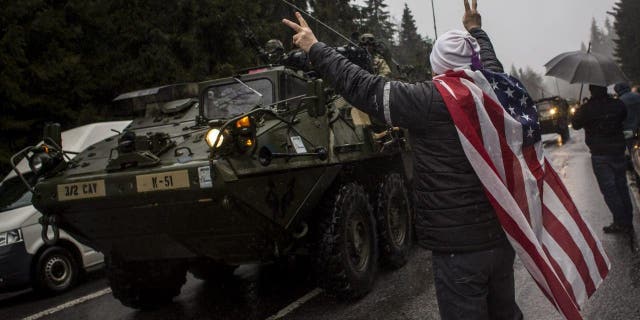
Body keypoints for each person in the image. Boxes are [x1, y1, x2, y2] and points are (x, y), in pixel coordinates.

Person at [284, 1, 523, 319]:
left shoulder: (427, 101)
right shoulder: (494, 89)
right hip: (500, 238)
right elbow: (490, 64)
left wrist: (315, 47)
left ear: (438, 66)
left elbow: (362, 86)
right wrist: (476, 28)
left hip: (457, 250)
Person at [572, 85, 634, 234]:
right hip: (618, 151)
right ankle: (628, 219)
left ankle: (621, 222)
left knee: (609, 189)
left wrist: (579, 108)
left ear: (591, 90)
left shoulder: (587, 109)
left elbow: (575, 124)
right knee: (622, 186)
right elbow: (624, 115)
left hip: (600, 154)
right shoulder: (617, 104)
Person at [614, 82, 640, 153]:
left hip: (627, 131)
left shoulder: (620, 101)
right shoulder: (638, 96)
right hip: (638, 129)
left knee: (629, 151)